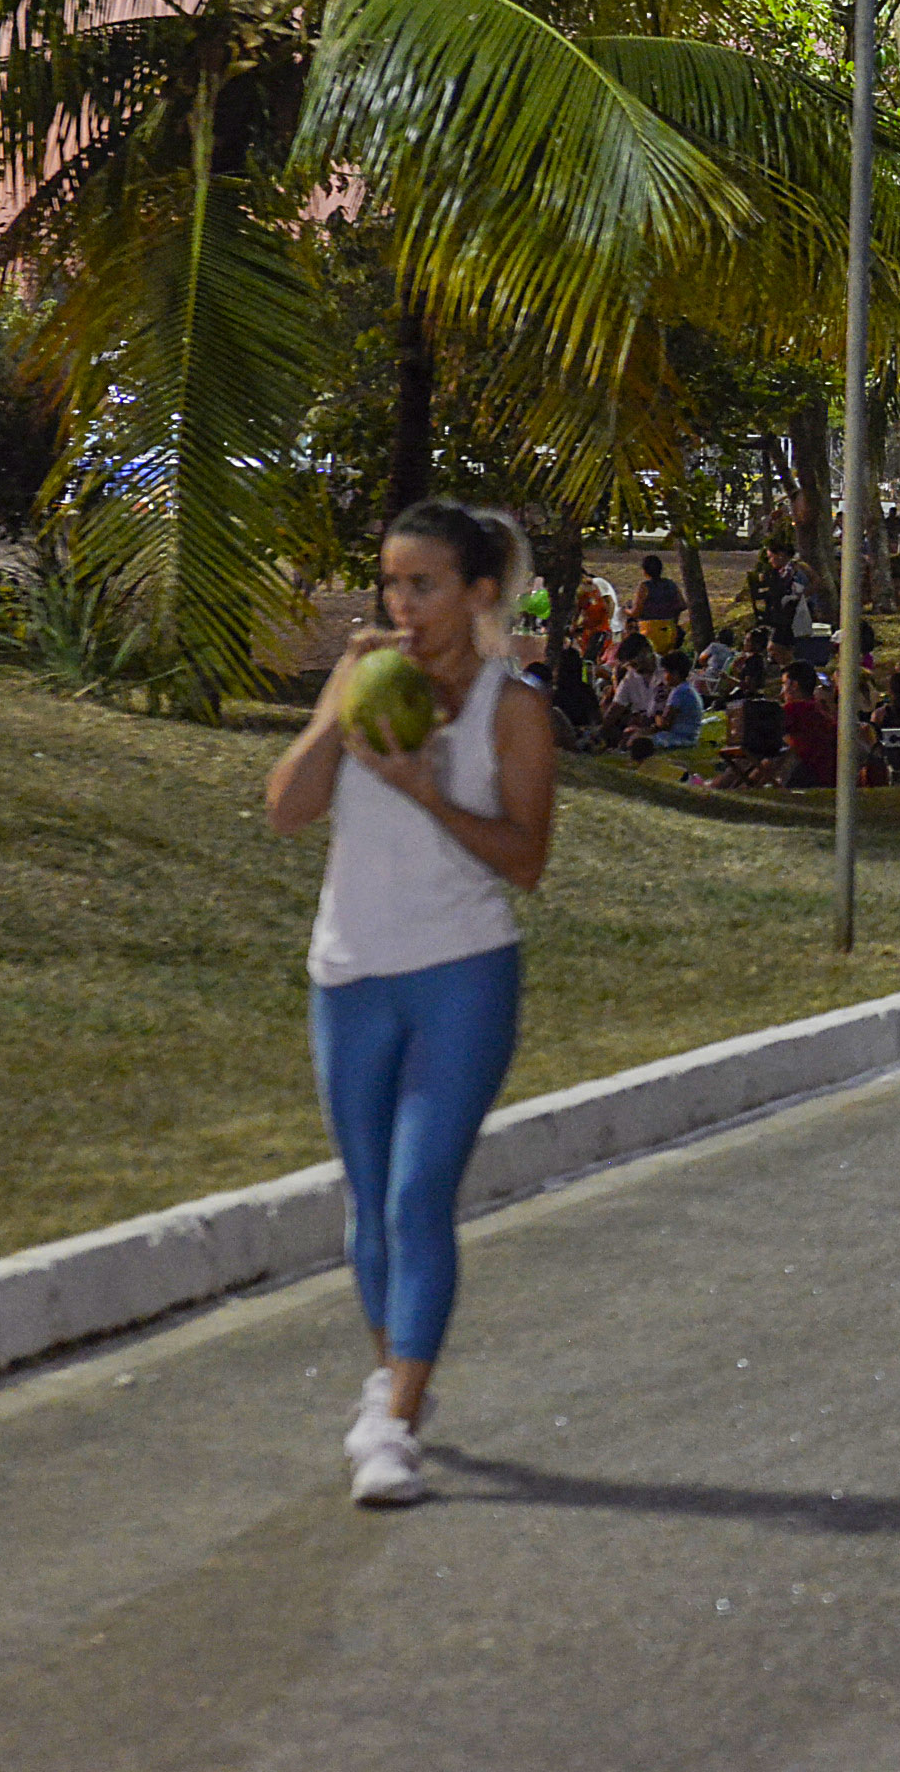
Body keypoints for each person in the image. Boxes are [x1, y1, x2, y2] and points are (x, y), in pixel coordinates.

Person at [263, 500, 556, 1507]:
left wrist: (427, 789)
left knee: (414, 1194)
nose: (402, 603)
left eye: (423, 584)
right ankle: (398, 1378)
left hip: (462, 971)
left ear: (477, 593)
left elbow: (527, 860)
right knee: (366, 1211)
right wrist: (334, 709)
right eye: (391, 582)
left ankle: (390, 1424)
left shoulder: (508, 711)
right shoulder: (364, 683)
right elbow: (285, 808)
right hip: (348, 973)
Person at [628, 554, 686, 656]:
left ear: (644, 571)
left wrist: (625, 610)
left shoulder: (644, 587)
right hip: (670, 628)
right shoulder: (671, 584)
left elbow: (635, 612)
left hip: (649, 630)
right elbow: (682, 605)